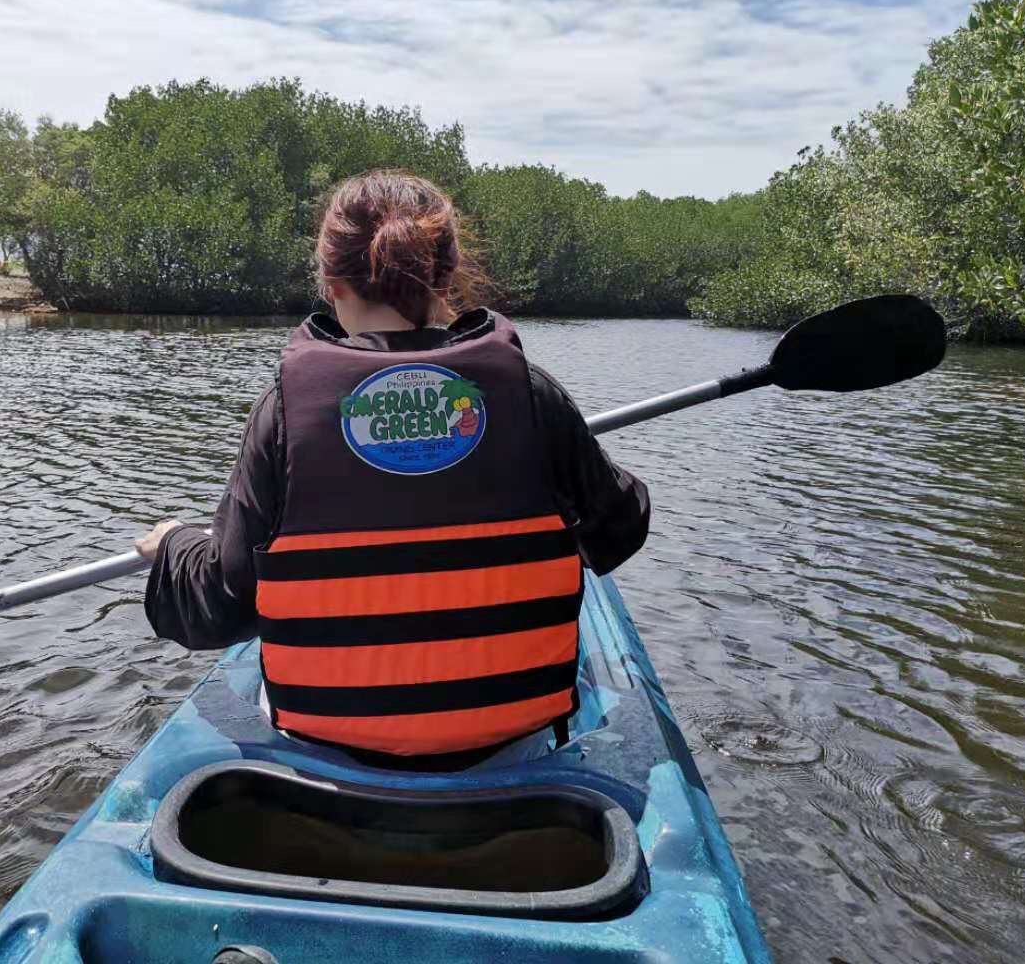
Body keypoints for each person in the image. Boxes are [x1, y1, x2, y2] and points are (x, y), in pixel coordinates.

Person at [137, 169, 649, 758]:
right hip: (510, 749)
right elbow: (619, 530)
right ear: (446, 277)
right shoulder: (532, 395)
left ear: (330, 281)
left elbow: (220, 609)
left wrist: (174, 544)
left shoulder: (283, 411)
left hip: (329, 752)